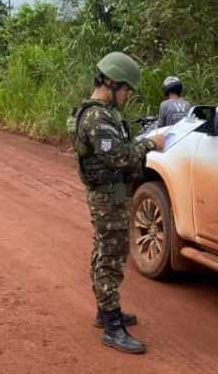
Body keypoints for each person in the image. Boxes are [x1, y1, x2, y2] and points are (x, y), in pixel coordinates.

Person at [69, 52, 166, 354]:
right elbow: (119, 157)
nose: (127, 96)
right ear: (111, 83)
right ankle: (112, 326)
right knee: (111, 255)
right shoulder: (97, 118)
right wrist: (151, 143)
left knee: (105, 251)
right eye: (126, 89)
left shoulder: (103, 114)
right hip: (108, 197)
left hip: (111, 194)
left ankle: (105, 310)